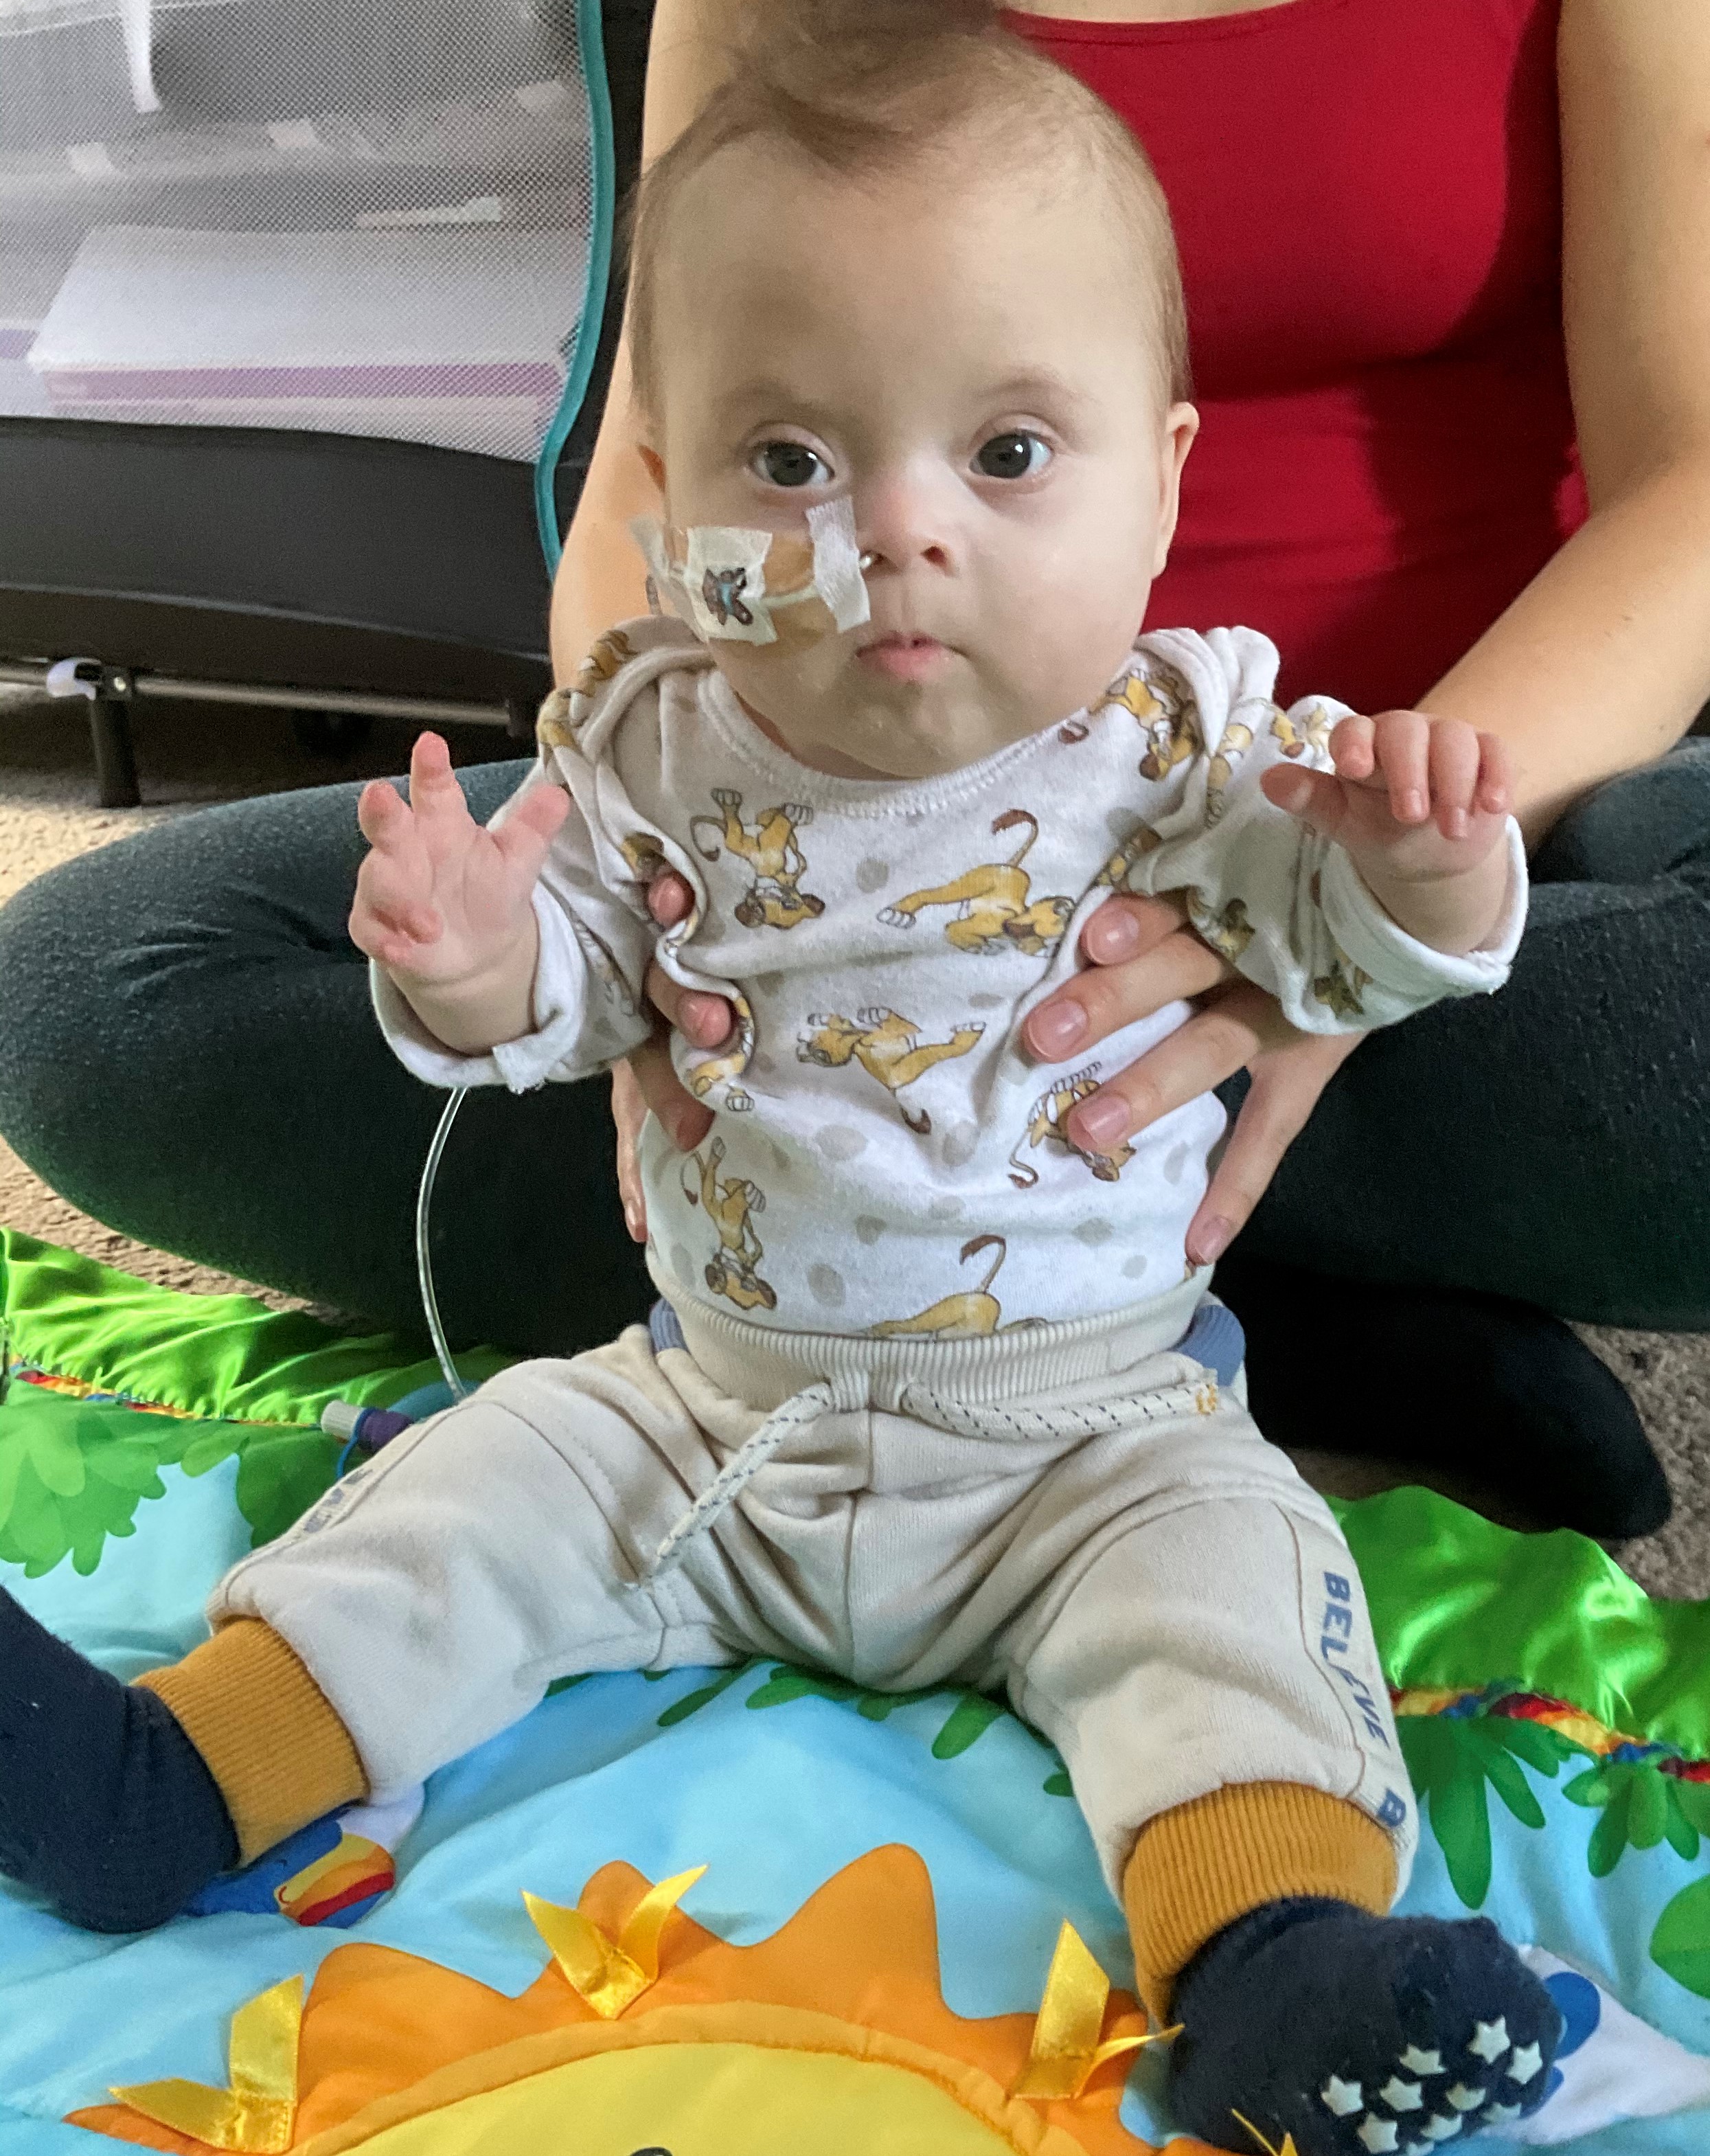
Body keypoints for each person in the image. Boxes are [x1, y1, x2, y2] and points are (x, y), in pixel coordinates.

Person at [0, 16, 1564, 2150]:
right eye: (793, 462)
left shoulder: (1191, 742)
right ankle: (162, 1782)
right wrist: (472, 953)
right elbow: (566, 988)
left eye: (1010, 454)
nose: (896, 533)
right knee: (466, 1505)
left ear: (1167, 475)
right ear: (669, 491)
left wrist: (1420, 856)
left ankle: (1281, 1964)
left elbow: (1349, 944)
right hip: (709, 1409)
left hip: (1087, 1431)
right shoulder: (655, 738)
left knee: (1230, 1611)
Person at [0, 0, 1705, 1535]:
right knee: (91, 990)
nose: (901, 524)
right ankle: (1247, 1306)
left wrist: (1366, 911)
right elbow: (654, 475)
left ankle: (1031, 1230)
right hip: (823, 830)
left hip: (1452, 836)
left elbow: (1689, 484)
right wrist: (649, 886)